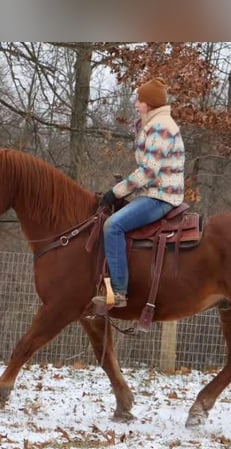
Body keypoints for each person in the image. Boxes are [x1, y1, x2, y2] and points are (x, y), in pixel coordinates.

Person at [93, 77, 185, 309]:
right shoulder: (154, 123)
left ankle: (119, 292)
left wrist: (115, 192)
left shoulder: (160, 126)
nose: (136, 104)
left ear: (150, 104)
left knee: (113, 226)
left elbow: (149, 170)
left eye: (140, 100)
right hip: (154, 192)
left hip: (161, 196)